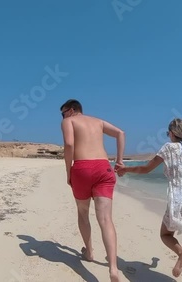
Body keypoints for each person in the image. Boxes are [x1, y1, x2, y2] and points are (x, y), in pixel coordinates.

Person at [116, 118, 182, 282]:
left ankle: (181, 253)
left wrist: (125, 169)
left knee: (165, 235)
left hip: (181, 200)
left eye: (168, 133)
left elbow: (146, 169)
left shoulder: (168, 148)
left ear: (172, 133)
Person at [60, 99, 125, 282]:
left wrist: (68, 172)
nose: (62, 116)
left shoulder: (69, 121)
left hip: (82, 168)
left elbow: (69, 144)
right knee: (105, 220)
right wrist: (119, 162)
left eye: (63, 112)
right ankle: (113, 268)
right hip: (104, 168)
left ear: (72, 110)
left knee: (83, 212)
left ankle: (89, 252)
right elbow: (121, 133)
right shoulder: (98, 121)